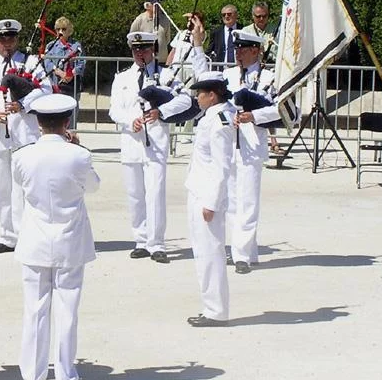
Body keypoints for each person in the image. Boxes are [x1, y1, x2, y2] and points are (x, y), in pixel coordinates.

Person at [12, 93, 99, 380]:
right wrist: (76, 147)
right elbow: (94, 186)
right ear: (66, 122)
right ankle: (65, 375)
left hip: (36, 238)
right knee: (67, 309)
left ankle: (33, 376)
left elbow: (21, 184)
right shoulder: (79, 155)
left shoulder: (22, 156)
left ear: (38, 123)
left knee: (35, 309)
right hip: (70, 239)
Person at [0, 19, 52, 254]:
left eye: (11, 39)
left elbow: (45, 89)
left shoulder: (31, 63)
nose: (7, 44)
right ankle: (6, 235)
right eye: (2, 39)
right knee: (0, 187)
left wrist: (22, 104)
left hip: (24, 133)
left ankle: (26, 233)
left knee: (24, 188)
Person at [108, 31, 188, 264]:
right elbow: (114, 109)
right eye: (135, 49)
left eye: (144, 49)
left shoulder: (166, 75)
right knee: (135, 195)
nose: (140, 53)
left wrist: (161, 112)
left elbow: (184, 99)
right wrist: (128, 120)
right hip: (131, 142)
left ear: (153, 49)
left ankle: (157, 243)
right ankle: (141, 240)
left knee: (155, 193)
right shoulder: (122, 78)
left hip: (155, 142)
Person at [219, 32, 278, 275]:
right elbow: (218, 104)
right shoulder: (229, 75)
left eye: (243, 48)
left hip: (253, 143)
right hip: (230, 141)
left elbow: (281, 109)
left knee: (248, 200)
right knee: (232, 200)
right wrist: (228, 117)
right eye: (236, 48)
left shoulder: (269, 77)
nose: (238, 53)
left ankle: (241, 254)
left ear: (256, 50)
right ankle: (243, 249)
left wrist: (254, 116)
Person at [184, 73, 236, 328]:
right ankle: (211, 306)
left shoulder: (219, 121)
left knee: (210, 252)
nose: (197, 97)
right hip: (199, 190)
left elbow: (222, 165)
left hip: (207, 195)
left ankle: (216, 310)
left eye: (200, 93)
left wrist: (211, 202)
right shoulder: (213, 116)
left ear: (212, 95)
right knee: (202, 252)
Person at [42, 16, 85, 96]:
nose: (60, 31)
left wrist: (70, 74)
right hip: (55, 83)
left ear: (69, 31)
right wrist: (59, 72)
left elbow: (82, 63)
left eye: (63, 29)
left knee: (72, 107)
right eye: (58, 29)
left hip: (72, 85)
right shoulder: (50, 46)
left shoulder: (76, 45)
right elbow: (47, 63)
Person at [129, 0, 171, 64]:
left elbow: (167, 39)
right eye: (155, 4)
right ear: (147, 5)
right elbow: (131, 40)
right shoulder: (140, 20)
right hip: (146, 62)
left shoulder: (165, 20)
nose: (158, 6)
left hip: (162, 61)